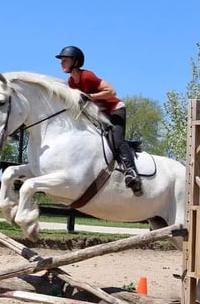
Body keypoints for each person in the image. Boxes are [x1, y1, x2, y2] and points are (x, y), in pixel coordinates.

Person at [55, 45, 142, 196]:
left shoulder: (87, 76)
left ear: (75, 62)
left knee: (116, 139)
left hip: (115, 109)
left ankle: (132, 171)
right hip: (99, 114)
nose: (61, 63)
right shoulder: (71, 82)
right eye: (61, 60)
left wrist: (90, 96)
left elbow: (111, 91)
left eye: (65, 60)